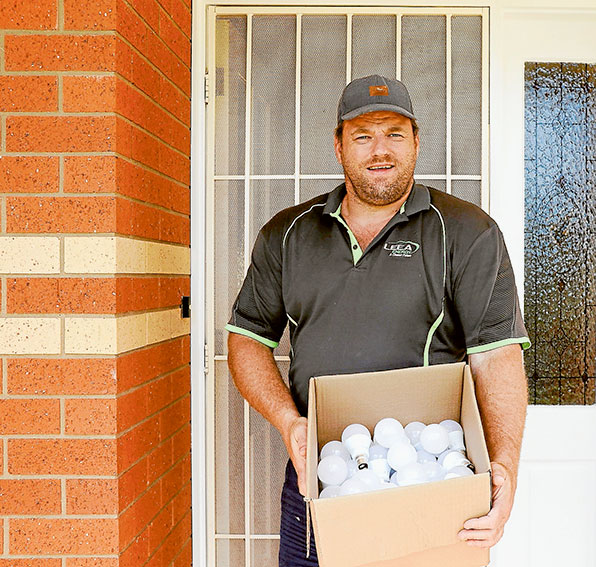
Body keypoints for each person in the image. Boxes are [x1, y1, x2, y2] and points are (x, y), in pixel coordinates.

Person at [226, 74, 530, 566]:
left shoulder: (468, 232)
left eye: (394, 134)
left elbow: (496, 356)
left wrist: (504, 467)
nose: (380, 150)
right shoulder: (288, 234)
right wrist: (289, 423)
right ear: (339, 145)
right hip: (323, 475)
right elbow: (247, 340)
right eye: (363, 135)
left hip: (431, 476)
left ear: (416, 141)